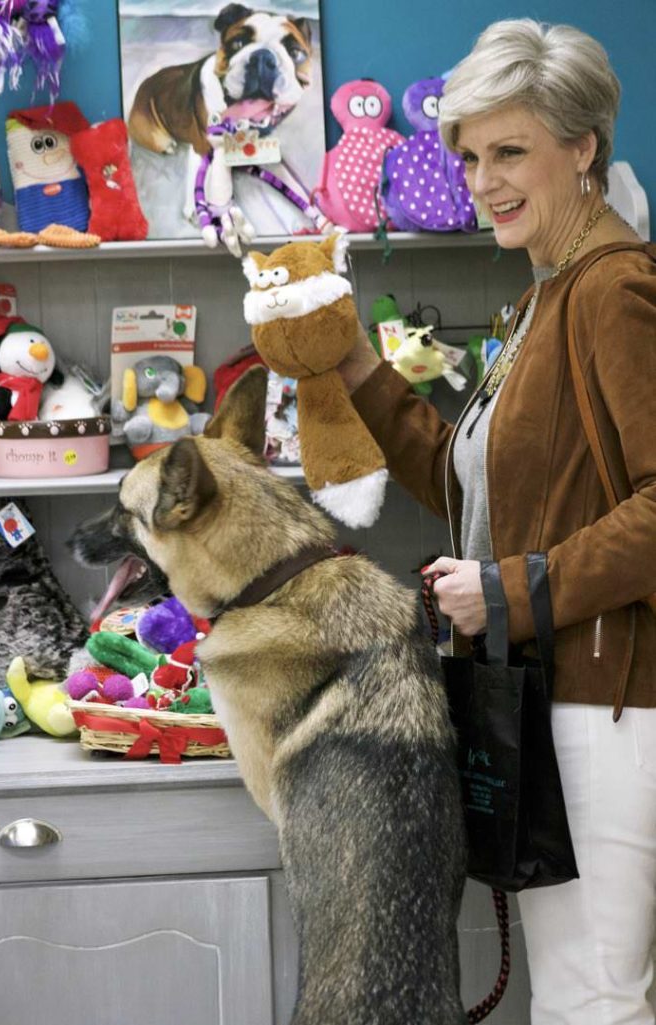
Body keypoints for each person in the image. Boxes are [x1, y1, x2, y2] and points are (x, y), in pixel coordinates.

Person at [337, 18, 656, 1025]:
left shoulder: (612, 288)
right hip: (549, 697)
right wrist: (351, 362)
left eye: (509, 150)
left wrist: (508, 588)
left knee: (591, 999)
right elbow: (465, 481)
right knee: (572, 996)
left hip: (607, 703)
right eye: (469, 155)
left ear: (582, 147)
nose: (482, 179)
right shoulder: (538, 304)